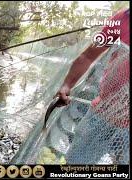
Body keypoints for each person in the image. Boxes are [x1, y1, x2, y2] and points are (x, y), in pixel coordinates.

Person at [55, 8, 129, 164]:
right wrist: (67, 84)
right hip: (103, 113)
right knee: (75, 165)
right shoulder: (122, 18)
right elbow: (88, 56)